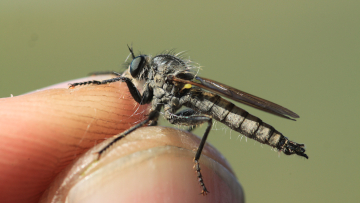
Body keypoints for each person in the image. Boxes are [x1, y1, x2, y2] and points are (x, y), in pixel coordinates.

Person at [0, 75, 244, 203]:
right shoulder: (161, 88)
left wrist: (95, 83)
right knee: (197, 121)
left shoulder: (160, 83)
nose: (131, 75)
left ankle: (195, 165)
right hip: (197, 104)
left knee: (203, 120)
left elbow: (139, 101)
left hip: (204, 105)